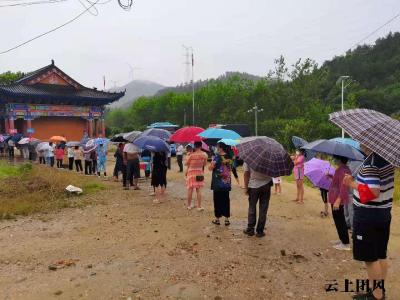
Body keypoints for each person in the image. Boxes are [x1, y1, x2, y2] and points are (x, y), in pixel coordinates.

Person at [343, 146, 395, 300]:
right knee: (380, 254)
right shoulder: (387, 160)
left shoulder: (372, 163)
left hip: (368, 216)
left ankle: (377, 296)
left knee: (370, 258)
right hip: (383, 213)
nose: (360, 144)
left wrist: (351, 183)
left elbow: (373, 192)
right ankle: (378, 291)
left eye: (362, 141)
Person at [327, 155, 351, 251]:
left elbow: (343, 186)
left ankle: (345, 243)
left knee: (340, 220)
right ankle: (342, 239)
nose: (334, 160)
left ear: (340, 159)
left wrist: (338, 200)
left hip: (337, 199)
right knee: (338, 219)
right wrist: (331, 177)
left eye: (335, 158)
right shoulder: (341, 169)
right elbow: (338, 182)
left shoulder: (343, 170)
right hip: (335, 197)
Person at [243, 162, 272, 238]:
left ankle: (250, 229)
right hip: (266, 186)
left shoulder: (249, 157)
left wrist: (246, 187)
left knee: (252, 207)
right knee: (263, 209)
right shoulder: (270, 158)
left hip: (254, 185)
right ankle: (260, 231)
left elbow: (246, 174)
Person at [209, 142, 232, 225]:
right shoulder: (229, 157)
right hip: (226, 182)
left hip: (218, 183)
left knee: (217, 200)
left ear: (220, 148)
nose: (216, 148)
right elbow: (230, 168)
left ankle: (217, 219)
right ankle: (226, 219)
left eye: (217, 146)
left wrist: (212, 162)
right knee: (226, 200)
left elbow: (210, 168)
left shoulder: (217, 157)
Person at [185, 141, 208, 210]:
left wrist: (188, 155)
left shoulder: (191, 155)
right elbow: (205, 164)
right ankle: (199, 206)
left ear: (194, 146)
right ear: (201, 146)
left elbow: (186, 163)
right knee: (198, 190)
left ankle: (189, 206)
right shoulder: (204, 154)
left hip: (191, 173)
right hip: (199, 173)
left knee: (190, 189)